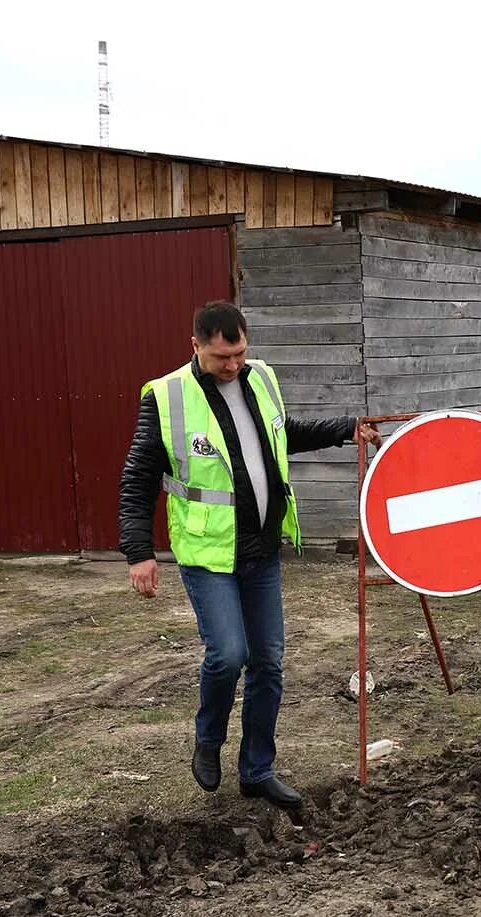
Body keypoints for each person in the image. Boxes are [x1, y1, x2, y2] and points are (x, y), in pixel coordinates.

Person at [118, 301, 380, 812]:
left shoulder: (260, 378)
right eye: (221, 357)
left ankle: (258, 770)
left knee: (269, 664)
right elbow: (137, 479)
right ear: (195, 346)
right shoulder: (167, 397)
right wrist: (138, 553)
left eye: (239, 353)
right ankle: (208, 739)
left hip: (261, 550)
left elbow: (283, 437)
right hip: (208, 553)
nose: (233, 365)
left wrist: (341, 429)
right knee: (228, 655)